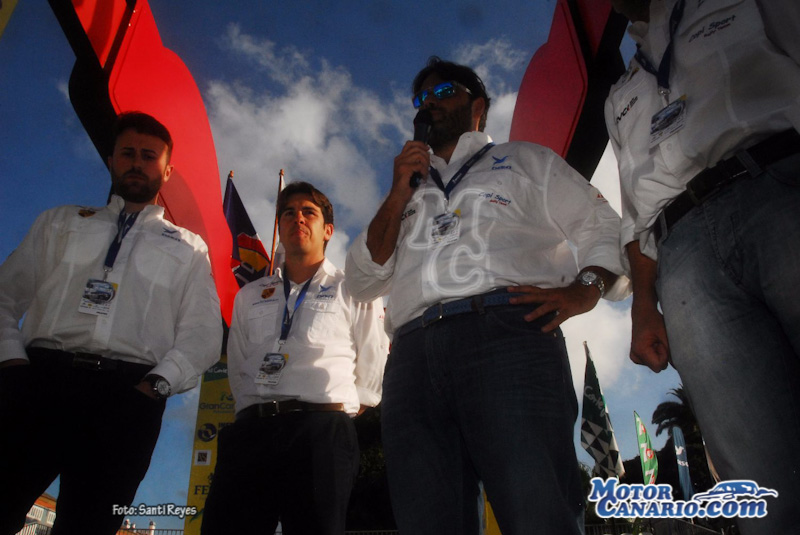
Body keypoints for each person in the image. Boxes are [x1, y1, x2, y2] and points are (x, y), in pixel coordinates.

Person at [345, 57, 628, 535]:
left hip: (508, 336)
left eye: (443, 92)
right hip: (412, 358)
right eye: (421, 98)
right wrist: (397, 194)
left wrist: (586, 290)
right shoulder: (406, 189)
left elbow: (601, 224)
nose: (430, 103)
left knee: (538, 512)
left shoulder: (525, 160)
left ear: (478, 106)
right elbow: (361, 280)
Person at [605, 1, 800, 533]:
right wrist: (644, 303)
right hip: (682, 252)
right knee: (761, 476)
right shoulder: (620, 95)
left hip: (779, 186)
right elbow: (634, 211)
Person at [0, 111, 222, 535]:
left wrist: (156, 387)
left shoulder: (189, 248)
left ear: (167, 171)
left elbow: (204, 333)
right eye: (128, 153)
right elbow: (4, 297)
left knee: (90, 525)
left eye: (149, 156)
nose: (137, 162)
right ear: (111, 160)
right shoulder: (59, 222)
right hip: (39, 383)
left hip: (129, 398)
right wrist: (12, 365)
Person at [201, 182, 389, 535]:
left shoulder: (354, 288)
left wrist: (343, 411)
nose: (297, 218)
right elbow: (238, 363)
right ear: (280, 226)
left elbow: (373, 356)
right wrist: (253, 410)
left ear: (328, 230)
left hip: (320, 434)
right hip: (252, 433)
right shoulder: (250, 295)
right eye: (288, 213)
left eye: (308, 212)